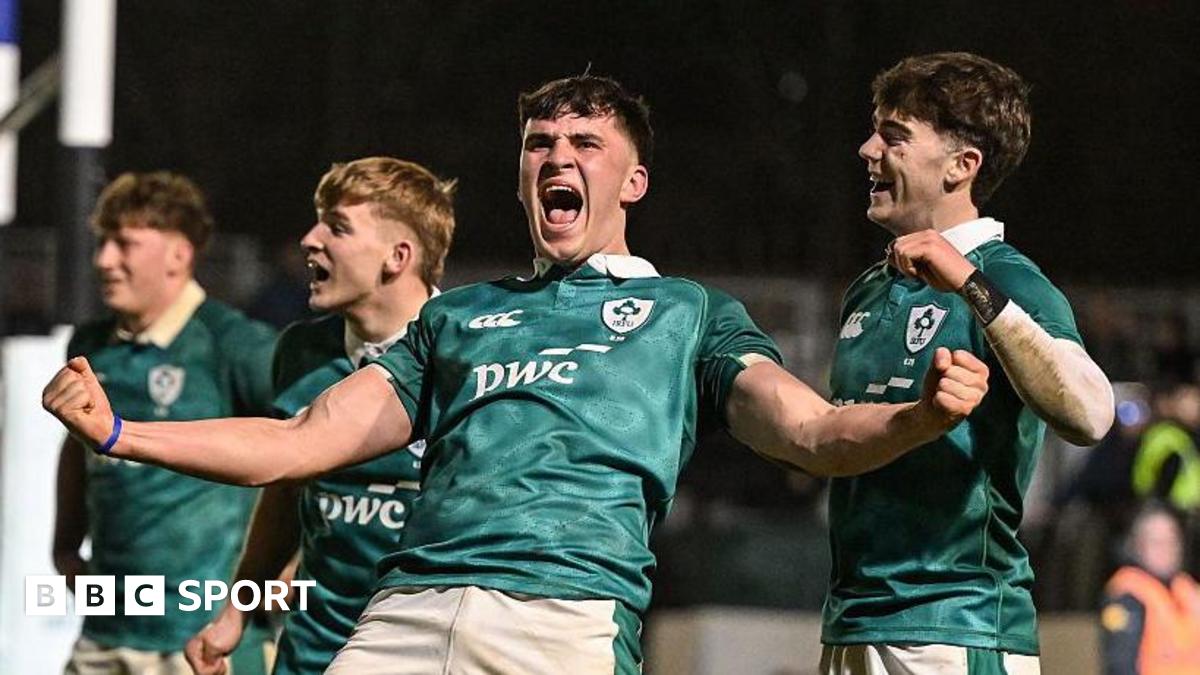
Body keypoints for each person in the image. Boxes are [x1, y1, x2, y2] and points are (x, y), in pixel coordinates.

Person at [44, 75, 991, 674]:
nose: (557, 159)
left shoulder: (685, 312)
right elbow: (299, 443)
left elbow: (813, 434)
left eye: (585, 145)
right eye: (541, 144)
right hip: (406, 614)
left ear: (634, 183)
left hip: (563, 621)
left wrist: (916, 417)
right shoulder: (455, 315)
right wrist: (120, 433)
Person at [820, 52, 1116, 675]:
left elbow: (1092, 414)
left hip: (959, 630)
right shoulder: (869, 289)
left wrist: (970, 284)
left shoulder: (1006, 277)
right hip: (853, 623)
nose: (867, 149)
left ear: (962, 165)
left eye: (895, 136)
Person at [184, 157, 456, 675]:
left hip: (427, 651)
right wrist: (238, 608)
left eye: (337, 227)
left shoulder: (468, 353)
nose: (310, 239)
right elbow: (285, 489)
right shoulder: (303, 350)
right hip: (313, 649)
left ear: (398, 257)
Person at [51, 172, 277, 674]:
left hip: (201, 642)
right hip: (105, 632)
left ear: (178, 254)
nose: (103, 260)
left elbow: (306, 451)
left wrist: (286, 569)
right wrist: (64, 544)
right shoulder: (91, 345)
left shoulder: (235, 345)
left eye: (124, 243)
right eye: (103, 242)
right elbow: (75, 448)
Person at [1101, 504, 1200, 674]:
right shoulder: (1127, 595)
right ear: (1138, 546)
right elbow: (1121, 665)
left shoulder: (1187, 589)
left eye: (1171, 540)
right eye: (1157, 542)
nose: (1166, 549)